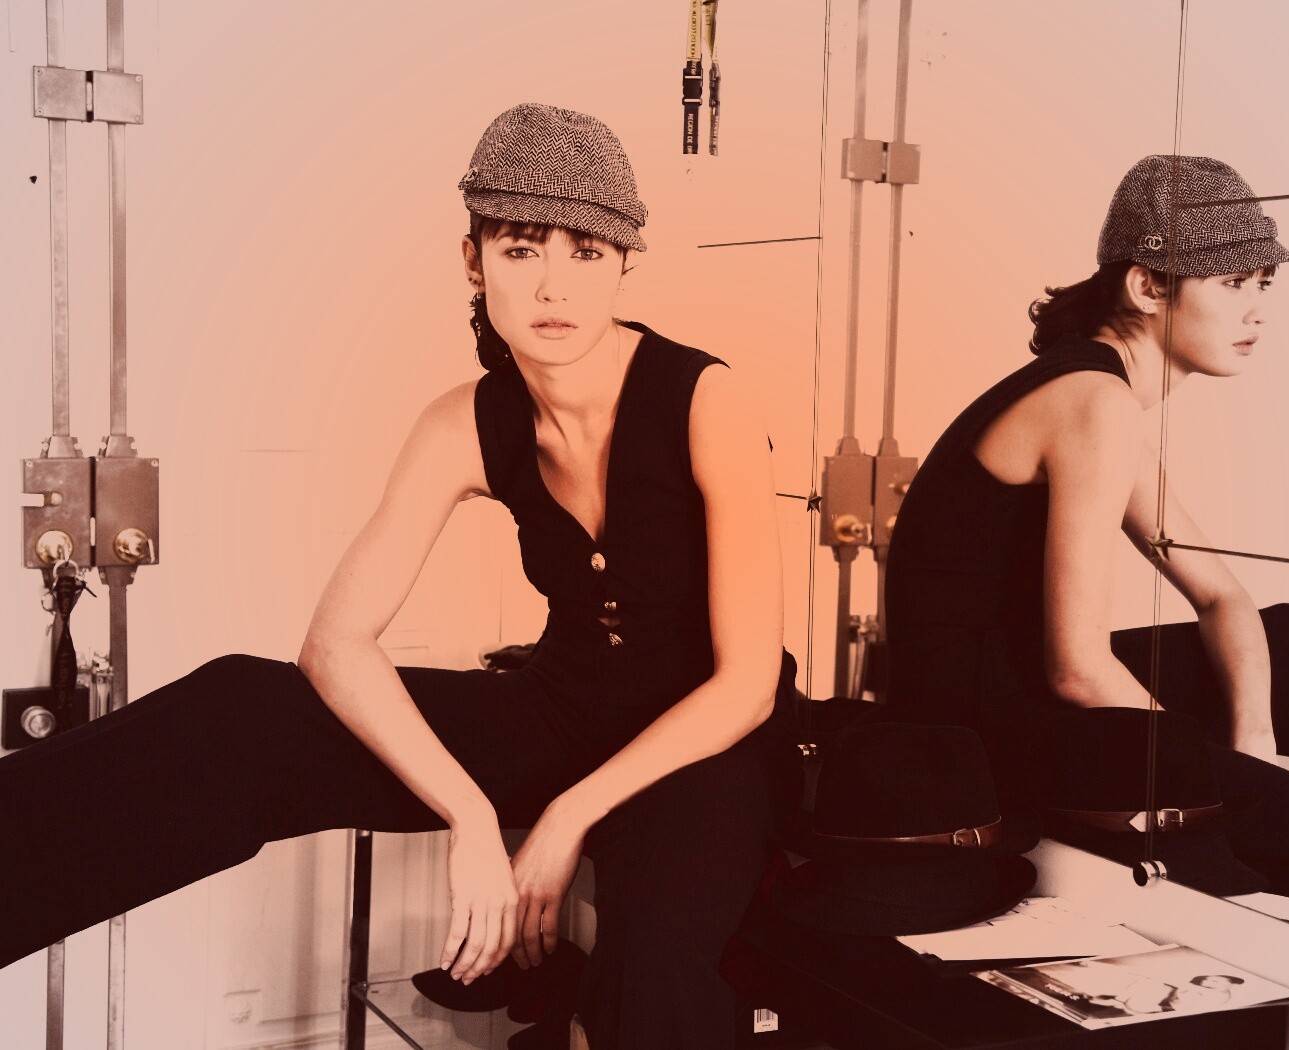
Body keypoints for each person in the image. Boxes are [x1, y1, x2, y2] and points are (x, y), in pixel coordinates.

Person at [0, 102, 799, 1050]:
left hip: (707, 745)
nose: (554, 286)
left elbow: (746, 685)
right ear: (474, 262)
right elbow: (335, 644)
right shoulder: (464, 421)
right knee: (244, 710)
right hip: (559, 714)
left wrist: (561, 822)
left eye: (585, 253)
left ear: (625, 262)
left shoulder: (705, 400)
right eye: (521, 250)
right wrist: (470, 815)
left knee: (657, 967)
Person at [883, 154, 1289, 902]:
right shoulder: (1094, 401)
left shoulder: (1095, 389)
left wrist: (1255, 738)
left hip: (1016, 693)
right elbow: (1076, 669)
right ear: (1147, 286)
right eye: (1232, 282)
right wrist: (1210, 772)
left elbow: (1223, 597)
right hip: (975, 737)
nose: (1257, 310)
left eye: (1263, 283)